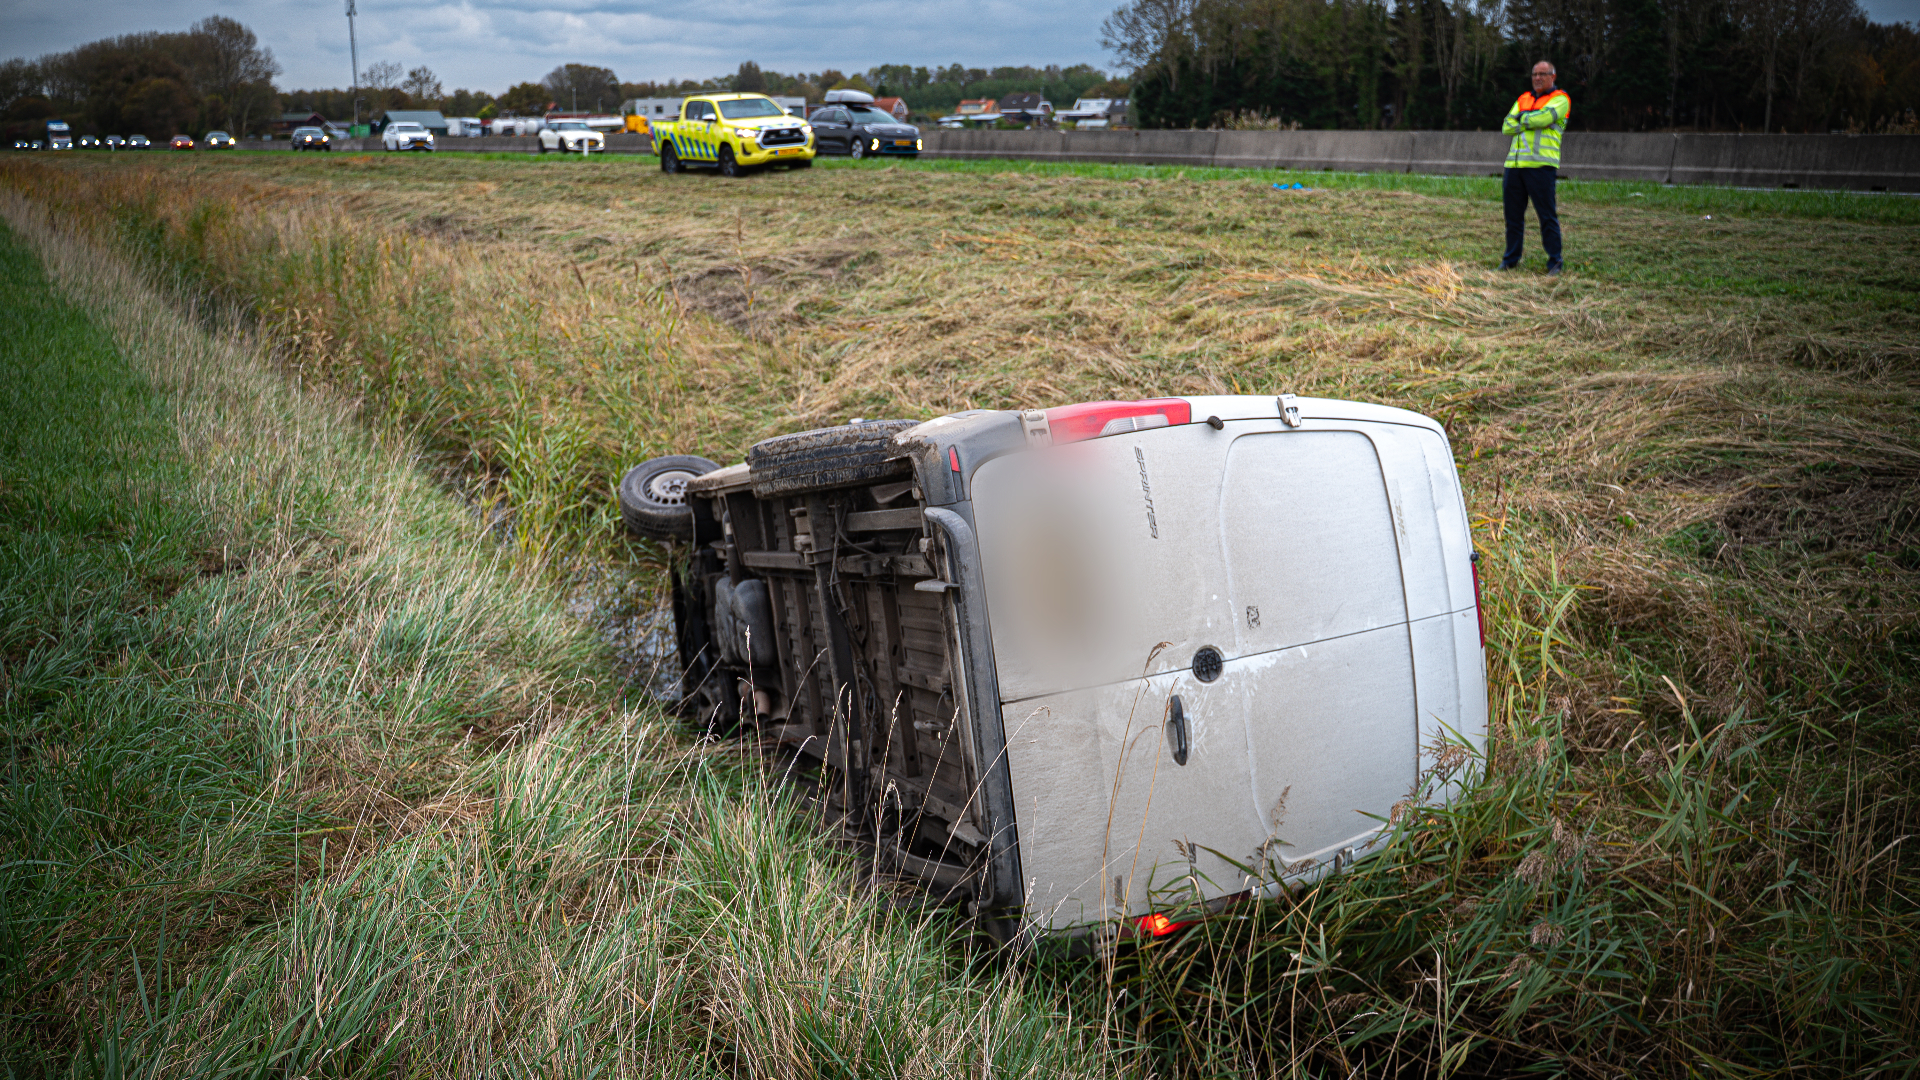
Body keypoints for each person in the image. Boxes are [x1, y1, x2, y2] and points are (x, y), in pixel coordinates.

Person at [1500, 61, 1570, 276]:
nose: (1537, 78)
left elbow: (1546, 118)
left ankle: (1555, 262)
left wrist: (1522, 118)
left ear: (1553, 76)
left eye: (1543, 74)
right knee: (1512, 218)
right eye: (1534, 74)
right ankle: (1510, 261)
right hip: (1514, 165)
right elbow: (1506, 126)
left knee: (1546, 216)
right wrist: (1531, 120)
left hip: (1541, 166)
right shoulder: (1523, 98)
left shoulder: (1560, 99)